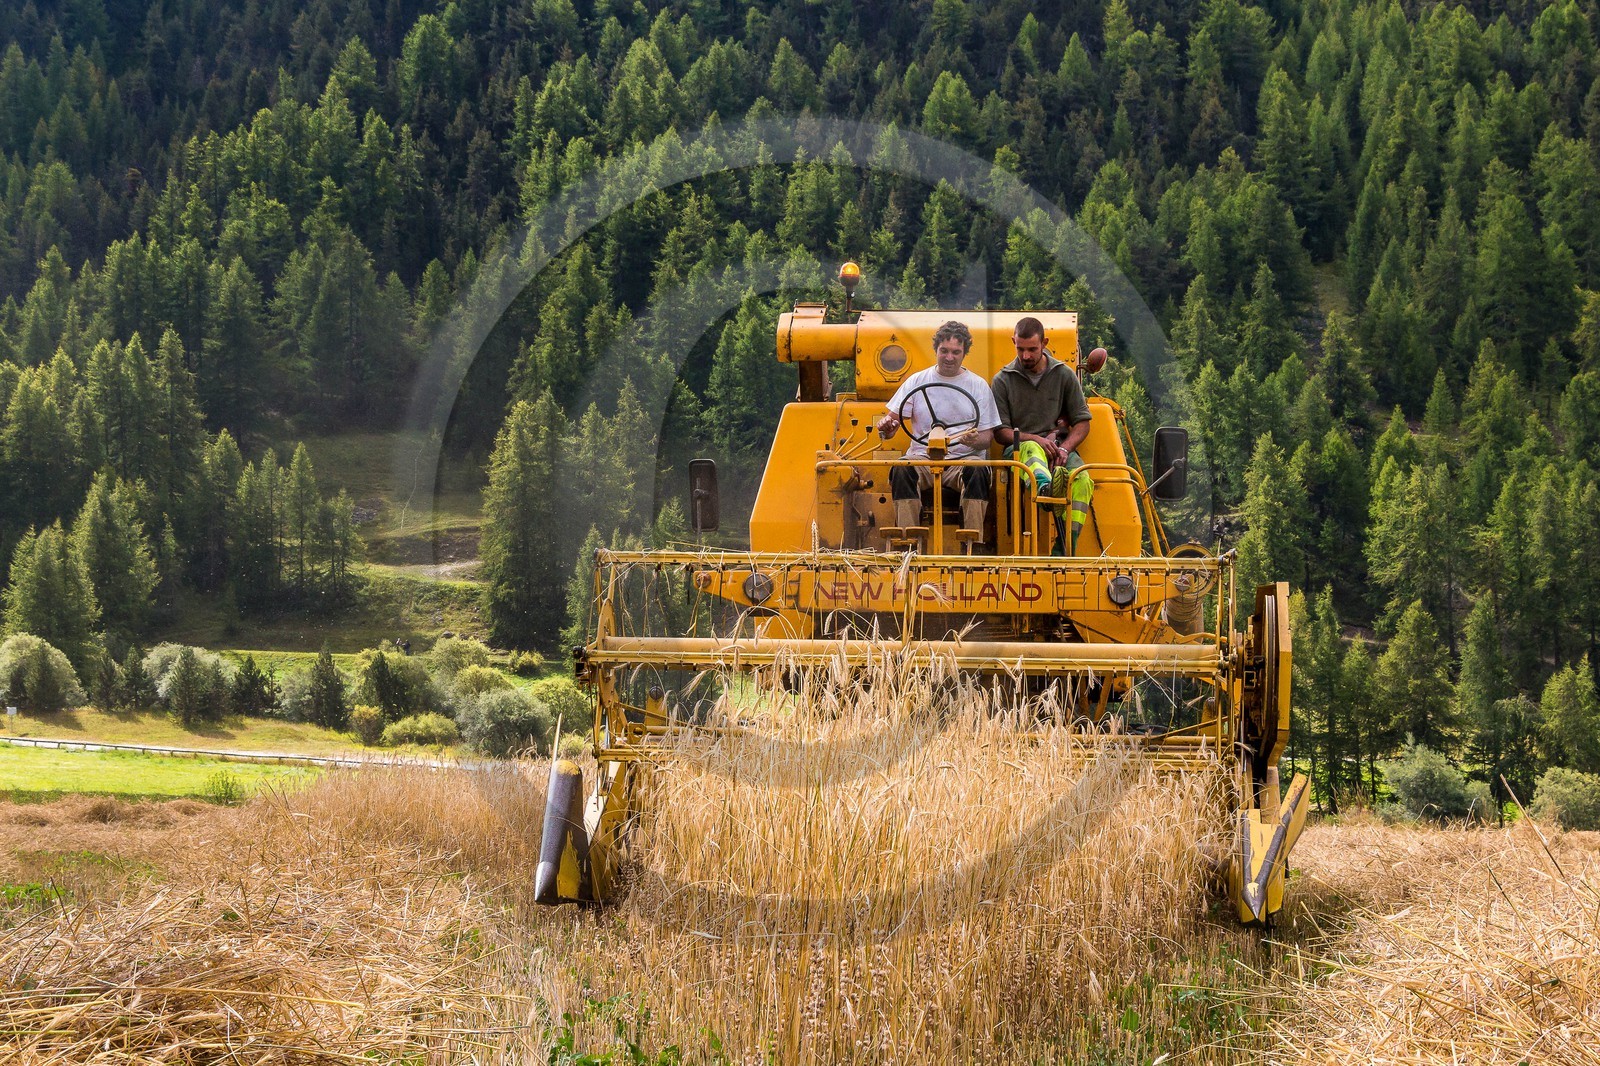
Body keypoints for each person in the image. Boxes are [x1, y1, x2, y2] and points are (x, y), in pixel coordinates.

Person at [876, 320, 1001, 542]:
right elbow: (891, 424)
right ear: (936, 350)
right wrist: (887, 428)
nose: (949, 357)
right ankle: (908, 542)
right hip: (922, 460)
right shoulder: (917, 381)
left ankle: (972, 543)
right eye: (944, 351)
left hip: (962, 461)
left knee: (979, 470)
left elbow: (987, 437)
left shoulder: (978, 385)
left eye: (956, 352)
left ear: (965, 353)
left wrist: (974, 440)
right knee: (902, 468)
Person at [990, 317, 1095, 554]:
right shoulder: (1002, 380)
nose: (1025, 356)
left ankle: (1065, 549)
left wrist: (1066, 448)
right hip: (1019, 452)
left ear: (1044, 343)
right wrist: (1037, 439)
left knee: (1082, 479)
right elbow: (1001, 432)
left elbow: (1083, 422)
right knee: (1031, 448)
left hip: (1058, 447)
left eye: (1032, 349)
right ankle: (1045, 488)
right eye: (1020, 348)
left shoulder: (1063, 375)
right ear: (1013, 342)